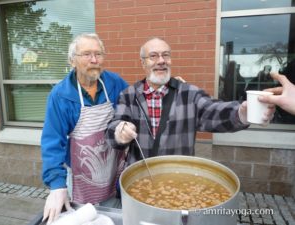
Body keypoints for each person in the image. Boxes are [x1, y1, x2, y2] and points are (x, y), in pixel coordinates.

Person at [105, 37, 275, 166]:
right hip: (140, 177)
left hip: (179, 177)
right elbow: (114, 128)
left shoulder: (189, 94)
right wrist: (120, 132)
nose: (161, 61)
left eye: (165, 55)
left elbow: (213, 111)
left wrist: (242, 113)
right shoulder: (129, 95)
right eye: (153, 56)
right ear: (143, 63)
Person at [41, 33, 128, 224]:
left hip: (114, 167)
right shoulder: (60, 95)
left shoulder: (114, 83)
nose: (94, 60)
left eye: (98, 54)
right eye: (87, 54)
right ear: (72, 60)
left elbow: (134, 104)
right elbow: (52, 142)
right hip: (82, 174)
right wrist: (57, 185)